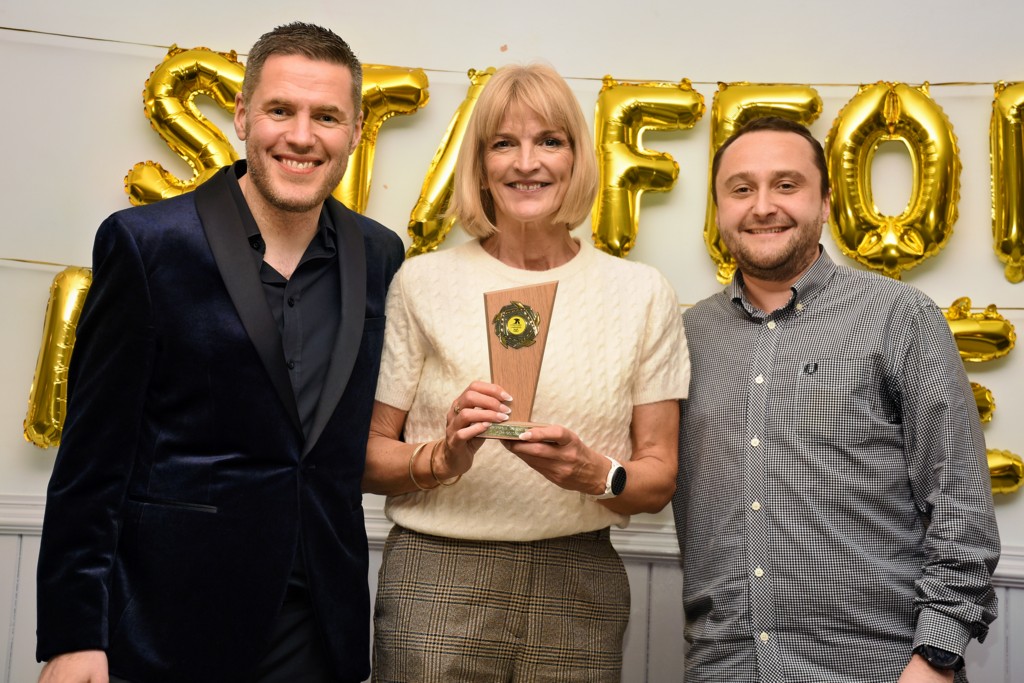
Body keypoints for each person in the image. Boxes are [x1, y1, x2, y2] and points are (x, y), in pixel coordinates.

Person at [35, 22, 404, 683]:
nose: (302, 136)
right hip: (166, 625)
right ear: (241, 116)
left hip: (319, 627)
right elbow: (92, 460)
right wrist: (74, 635)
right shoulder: (147, 244)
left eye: (326, 116)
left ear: (354, 131)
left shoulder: (379, 254)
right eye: (280, 110)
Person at [362, 63, 689, 681]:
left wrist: (596, 473)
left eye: (550, 141)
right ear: (480, 164)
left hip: (580, 582)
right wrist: (441, 458)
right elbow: (367, 458)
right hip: (437, 578)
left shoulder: (642, 293)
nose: (526, 163)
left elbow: (659, 478)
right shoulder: (422, 282)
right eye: (503, 143)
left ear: (577, 158)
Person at [672, 116, 1000, 683]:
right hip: (726, 667)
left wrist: (935, 658)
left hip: (880, 668)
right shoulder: (686, 337)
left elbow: (960, 500)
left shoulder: (899, 317)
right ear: (719, 210)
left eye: (786, 185)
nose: (763, 206)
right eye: (742, 189)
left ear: (824, 203)